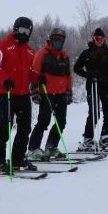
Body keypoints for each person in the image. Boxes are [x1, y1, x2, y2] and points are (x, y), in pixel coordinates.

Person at [0, 16, 38, 174]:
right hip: (6, 93)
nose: (24, 34)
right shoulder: (3, 46)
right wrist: (5, 78)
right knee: (5, 127)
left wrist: (37, 77)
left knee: (25, 128)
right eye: (21, 30)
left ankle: (17, 159)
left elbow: (29, 72)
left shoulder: (29, 50)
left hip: (23, 95)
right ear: (15, 29)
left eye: (27, 31)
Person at [28, 28, 73, 160]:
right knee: (43, 121)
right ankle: (33, 148)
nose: (58, 41)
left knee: (61, 122)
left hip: (61, 94)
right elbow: (34, 73)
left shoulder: (65, 56)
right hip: (46, 93)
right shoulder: (42, 54)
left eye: (61, 39)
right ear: (51, 39)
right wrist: (35, 91)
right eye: (56, 39)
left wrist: (69, 91)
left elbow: (68, 75)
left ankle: (51, 147)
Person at [74, 27, 108, 150]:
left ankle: (105, 136)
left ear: (104, 39)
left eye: (102, 38)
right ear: (93, 38)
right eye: (97, 38)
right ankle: (88, 139)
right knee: (94, 112)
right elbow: (77, 68)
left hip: (106, 86)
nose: (99, 40)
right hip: (92, 85)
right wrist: (89, 75)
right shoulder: (86, 53)